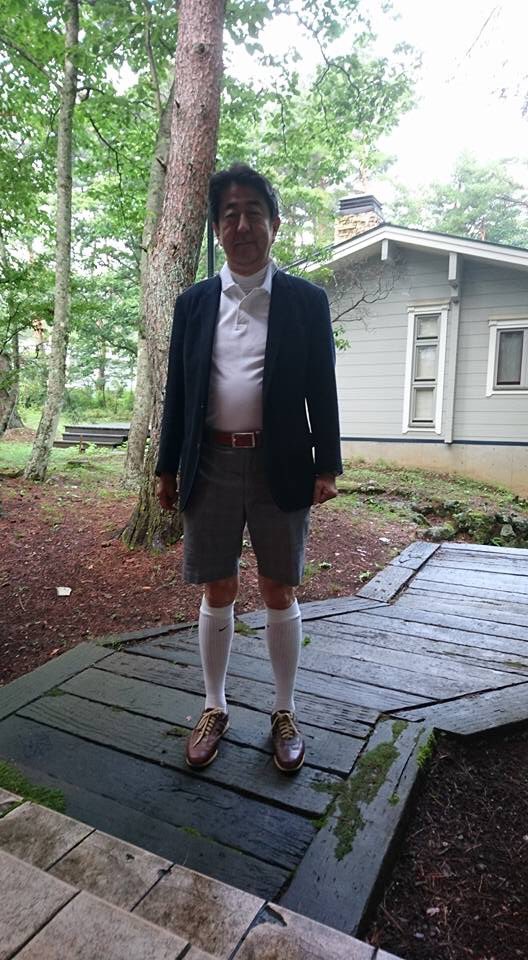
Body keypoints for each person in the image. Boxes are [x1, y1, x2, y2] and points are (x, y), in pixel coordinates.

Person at [156, 163, 342, 774]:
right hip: (208, 461)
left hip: (280, 464)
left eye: (253, 213)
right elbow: (178, 392)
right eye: (230, 214)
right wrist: (166, 467)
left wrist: (327, 464)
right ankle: (215, 707)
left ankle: (285, 711)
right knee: (217, 586)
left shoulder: (305, 302)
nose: (242, 225)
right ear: (217, 227)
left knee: (278, 587)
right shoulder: (193, 304)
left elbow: (322, 387)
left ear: (275, 224)